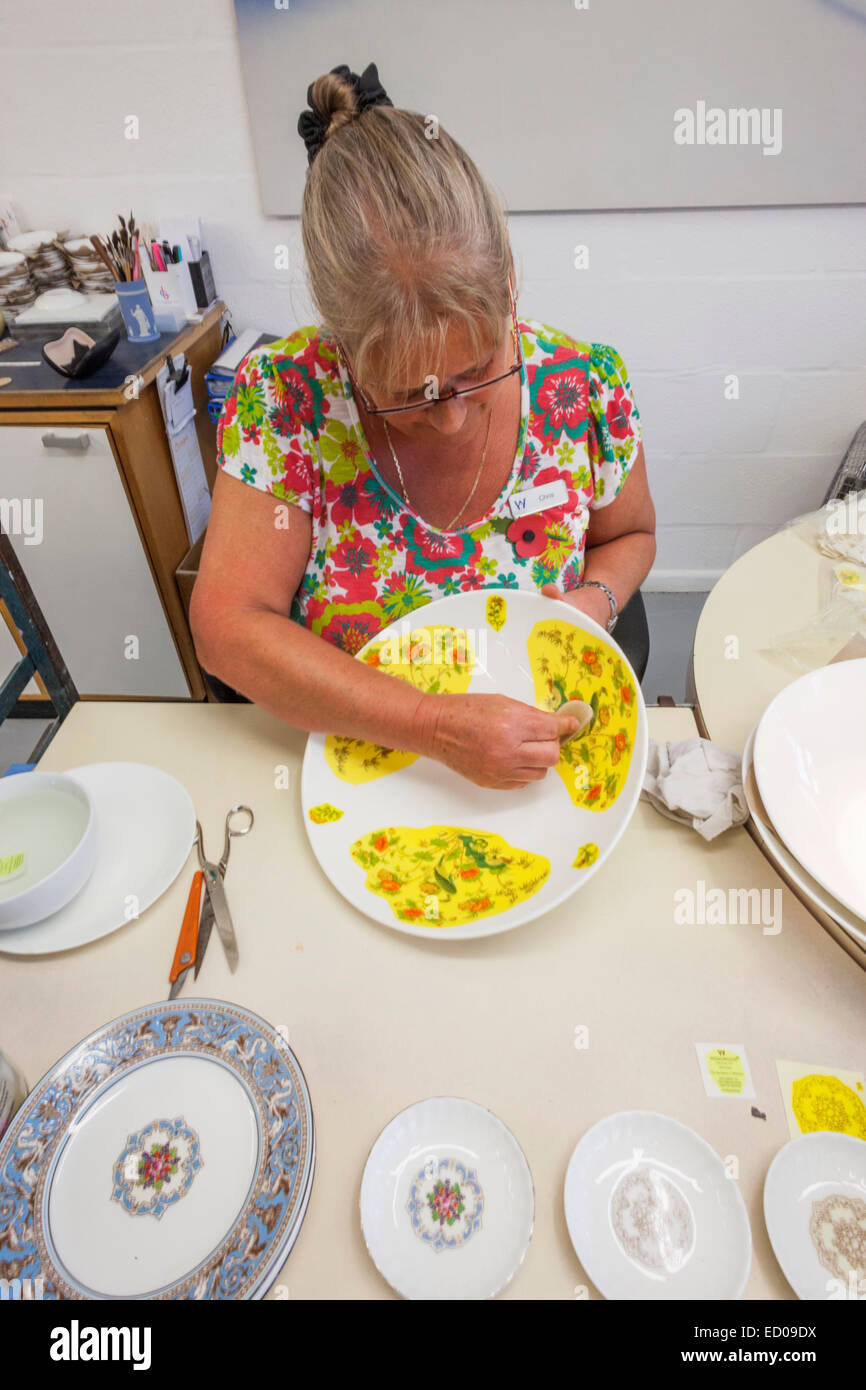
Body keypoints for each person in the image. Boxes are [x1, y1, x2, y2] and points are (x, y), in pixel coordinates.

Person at [191, 63, 656, 792]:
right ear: (340, 347)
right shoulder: (285, 398)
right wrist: (430, 725)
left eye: (479, 371)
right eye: (408, 395)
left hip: (535, 779)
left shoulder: (584, 383)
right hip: (358, 775)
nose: (452, 418)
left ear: (508, 288)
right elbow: (227, 628)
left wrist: (594, 601)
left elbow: (630, 535)